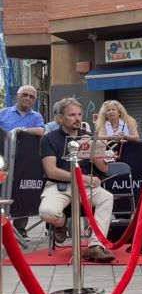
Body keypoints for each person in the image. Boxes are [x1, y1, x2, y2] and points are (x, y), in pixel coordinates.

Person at [38, 98, 116, 263]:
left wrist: (97, 154)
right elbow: (51, 170)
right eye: (72, 115)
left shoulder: (89, 137)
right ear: (59, 118)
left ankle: (95, 246)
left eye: (79, 114)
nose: (77, 118)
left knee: (107, 197)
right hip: (59, 186)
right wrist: (84, 178)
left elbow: (104, 169)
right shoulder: (49, 139)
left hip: (86, 188)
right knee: (47, 213)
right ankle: (60, 223)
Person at [0, 85, 46, 236]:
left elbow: (41, 131)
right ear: (17, 96)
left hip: (25, 163)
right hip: (3, 161)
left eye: (31, 96)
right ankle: (3, 229)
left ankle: (20, 231)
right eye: (24, 94)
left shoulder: (36, 116)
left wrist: (21, 130)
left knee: (23, 193)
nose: (27, 98)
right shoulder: (3, 113)